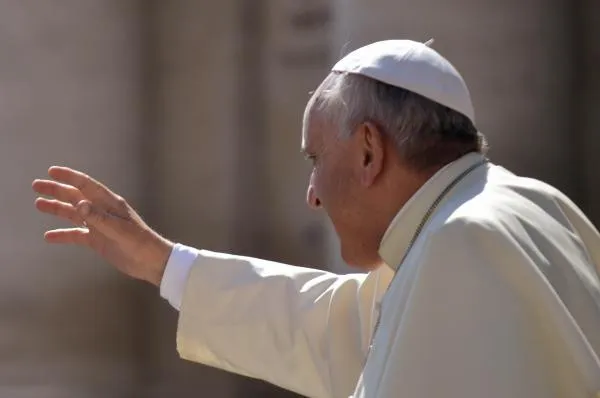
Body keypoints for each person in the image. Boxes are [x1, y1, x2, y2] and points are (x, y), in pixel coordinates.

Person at [32, 39, 600, 398]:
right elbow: (330, 325)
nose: (312, 195)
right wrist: (164, 264)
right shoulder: (524, 207)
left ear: (369, 152)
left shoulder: (461, 242)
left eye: (315, 159)